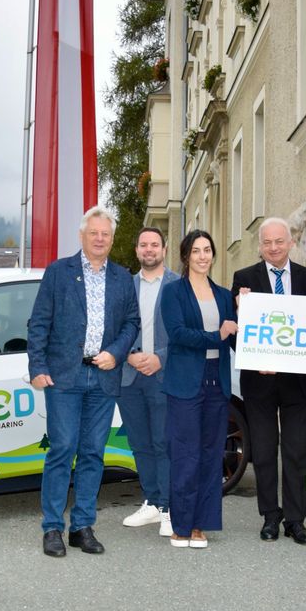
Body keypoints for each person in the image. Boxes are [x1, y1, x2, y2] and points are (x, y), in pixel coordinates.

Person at [27, 206, 140, 558]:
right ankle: (52, 529)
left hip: (103, 374)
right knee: (62, 450)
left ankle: (82, 527)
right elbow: (39, 322)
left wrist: (116, 353)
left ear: (111, 238)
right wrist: (37, 366)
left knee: (93, 453)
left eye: (106, 234)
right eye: (94, 233)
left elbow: (132, 323)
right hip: (64, 375)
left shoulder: (122, 278)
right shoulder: (59, 273)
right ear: (82, 236)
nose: (100, 239)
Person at [231, 217, 306, 544]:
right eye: (267, 242)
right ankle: (270, 517)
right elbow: (234, 333)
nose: (273, 248)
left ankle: (296, 520)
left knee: (297, 451)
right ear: (260, 246)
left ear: (290, 243)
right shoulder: (244, 279)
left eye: (279, 242)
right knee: (266, 451)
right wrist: (255, 355)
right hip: (259, 383)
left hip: (298, 383)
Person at [160, 230, 237, 548]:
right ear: (186, 256)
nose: (203, 256)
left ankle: (200, 525)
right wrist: (215, 336)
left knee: (210, 455)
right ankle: (181, 524)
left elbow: (232, 336)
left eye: (207, 250)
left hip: (217, 382)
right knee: (185, 455)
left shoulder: (223, 295)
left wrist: (248, 310)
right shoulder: (173, 293)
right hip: (185, 382)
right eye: (196, 251)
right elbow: (178, 334)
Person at [119, 227, 179, 537]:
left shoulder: (178, 286)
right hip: (130, 377)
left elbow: (185, 332)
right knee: (140, 444)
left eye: (154, 244)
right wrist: (128, 355)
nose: (149, 249)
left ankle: (169, 508)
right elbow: (113, 329)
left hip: (163, 375)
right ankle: (153, 502)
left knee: (163, 443)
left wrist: (160, 357)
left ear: (164, 250)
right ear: (137, 251)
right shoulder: (125, 287)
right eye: (143, 245)